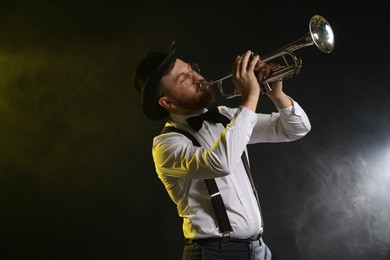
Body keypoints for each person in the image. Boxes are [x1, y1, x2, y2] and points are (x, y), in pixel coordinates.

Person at [133, 41, 311, 260]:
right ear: (167, 102)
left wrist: (277, 95)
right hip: (213, 253)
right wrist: (251, 96)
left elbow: (296, 129)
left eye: (192, 69)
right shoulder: (166, 146)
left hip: (259, 250)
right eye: (184, 78)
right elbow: (220, 163)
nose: (198, 78)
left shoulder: (226, 116)